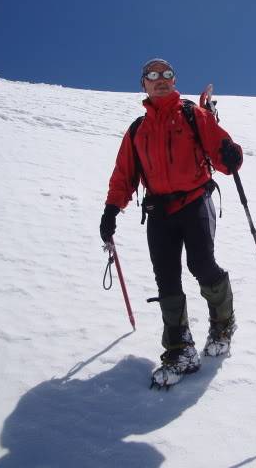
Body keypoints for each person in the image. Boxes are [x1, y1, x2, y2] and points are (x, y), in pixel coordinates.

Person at [99, 58, 243, 388]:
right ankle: (180, 350)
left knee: (202, 265)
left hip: (195, 201)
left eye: (166, 74)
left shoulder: (194, 114)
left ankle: (222, 323)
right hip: (159, 212)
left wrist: (230, 155)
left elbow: (220, 149)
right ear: (143, 84)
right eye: (152, 75)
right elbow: (124, 176)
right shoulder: (138, 130)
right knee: (166, 279)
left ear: (175, 80)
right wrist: (110, 210)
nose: (160, 79)